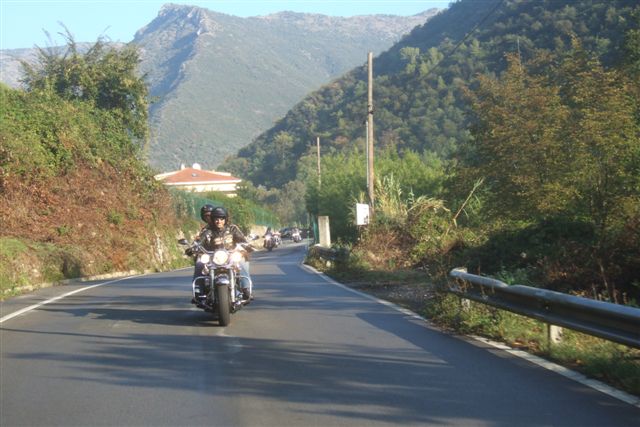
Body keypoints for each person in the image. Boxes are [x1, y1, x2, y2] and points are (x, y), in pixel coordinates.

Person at [190, 205, 254, 302]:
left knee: (242, 262)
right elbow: (200, 241)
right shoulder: (208, 231)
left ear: (225, 219)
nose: (219, 221)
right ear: (213, 219)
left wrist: (246, 245)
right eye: (216, 219)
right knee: (199, 263)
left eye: (221, 219)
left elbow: (242, 239)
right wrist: (194, 247)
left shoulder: (232, 228)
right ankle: (198, 290)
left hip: (231, 255)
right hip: (213, 257)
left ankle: (246, 289)